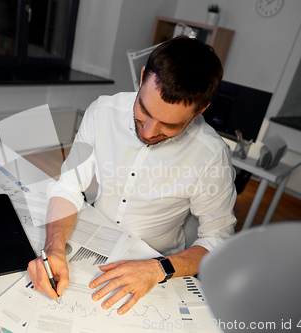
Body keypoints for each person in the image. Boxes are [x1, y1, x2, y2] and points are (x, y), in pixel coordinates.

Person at [27, 36, 237, 315]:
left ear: (201, 110)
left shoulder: (211, 156)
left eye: (170, 125)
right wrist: (53, 248)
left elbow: (218, 240)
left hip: (155, 265)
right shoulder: (102, 112)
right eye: (144, 111)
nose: (149, 132)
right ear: (142, 78)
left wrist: (158, 268)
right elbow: (69, 186)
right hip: (91, 243)